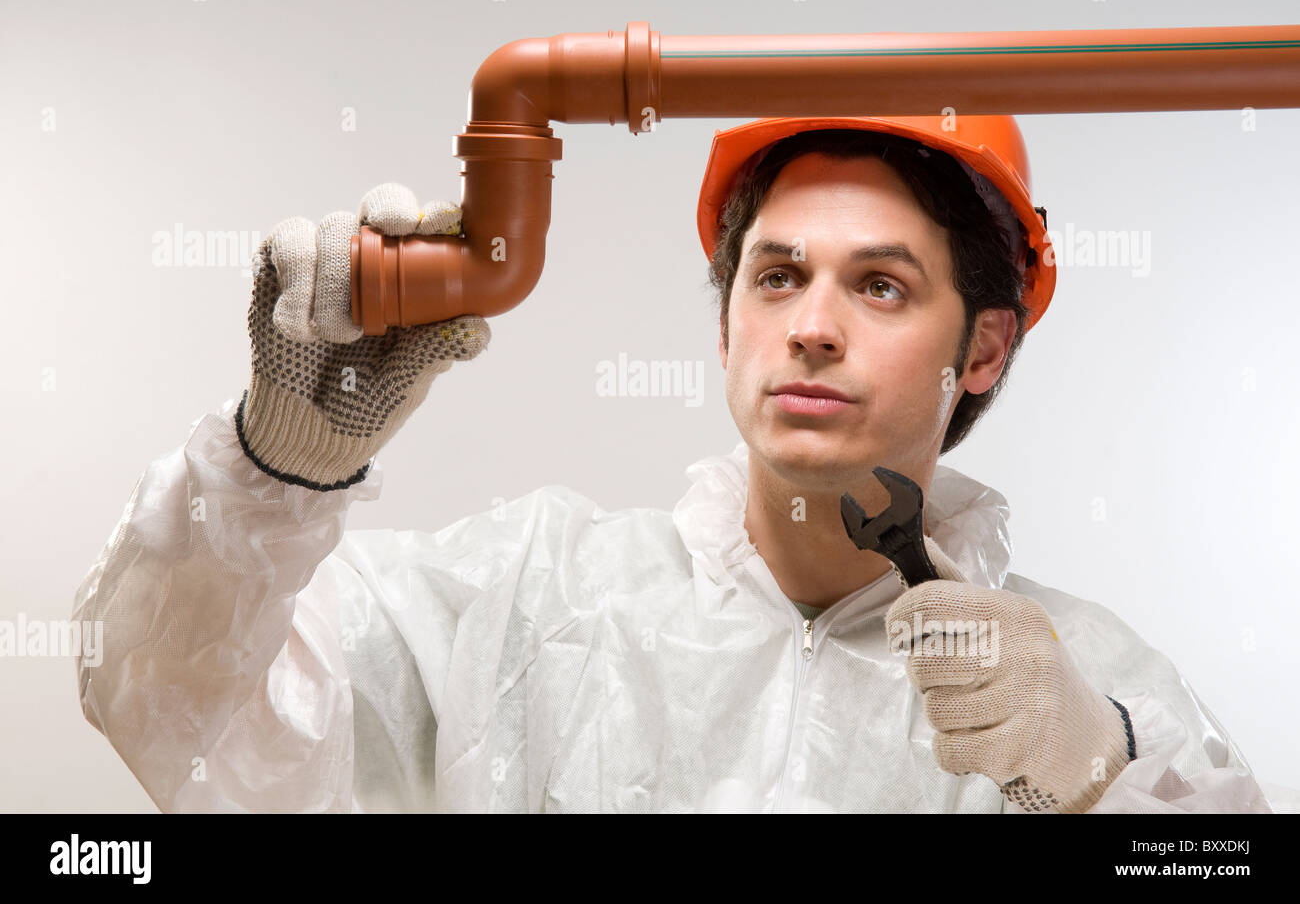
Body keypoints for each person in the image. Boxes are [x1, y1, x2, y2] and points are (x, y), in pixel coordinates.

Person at [72, 116, 1273, 813]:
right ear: (724, 324)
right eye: (777, 273)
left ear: (984, 346)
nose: (812, 322)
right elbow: (169, 720)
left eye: (881, 284)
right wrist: (277, 466)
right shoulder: (529, 594)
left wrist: (1108, 767)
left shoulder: (1078, 675)